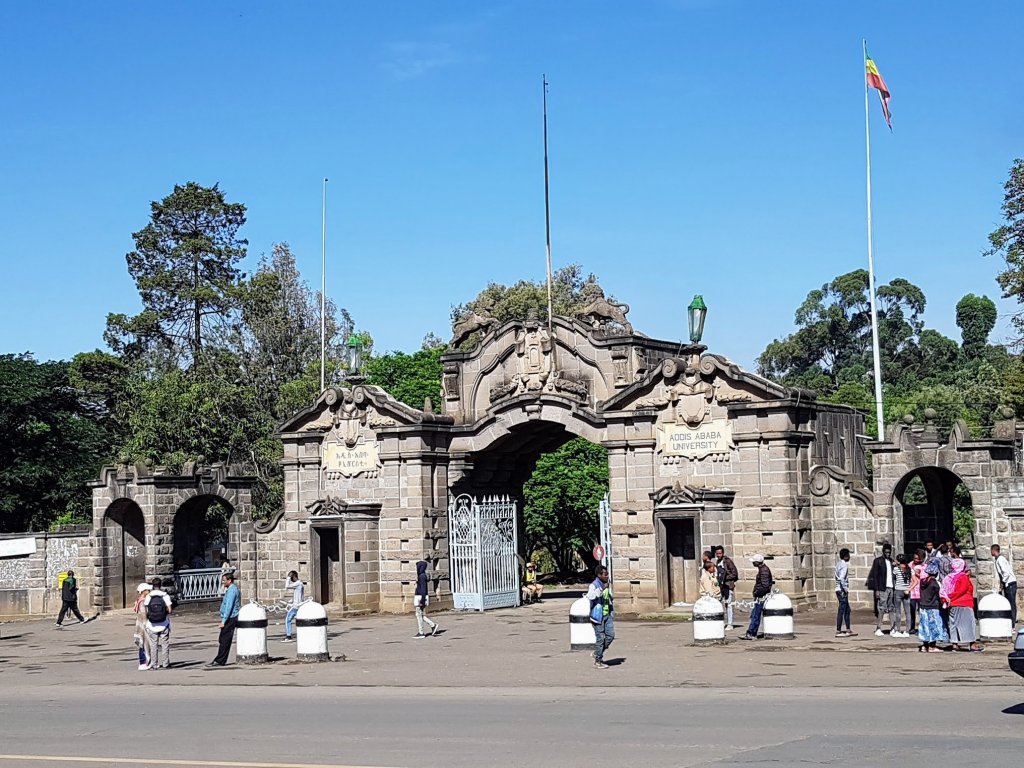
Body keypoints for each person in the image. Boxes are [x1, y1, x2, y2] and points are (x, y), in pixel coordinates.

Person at [944, 558, 983, 652]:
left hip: (952, 604)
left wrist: (947, 599)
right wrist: (952, 597)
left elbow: (944, 590)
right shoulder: (963, 577)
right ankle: (972, 644)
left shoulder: (948, 577)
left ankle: (955, 644)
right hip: (964, 603)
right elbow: (962, 590)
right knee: (969, 624)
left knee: (954, 624)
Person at [208, 572, 240, 667]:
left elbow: (229, 607)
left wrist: (224, 621)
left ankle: (220, 660)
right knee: (222, 639)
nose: (223, 582)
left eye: (224, 580)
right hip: (229, 617)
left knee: (225, 640)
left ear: (229, 580)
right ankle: (220, 659)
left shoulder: (232, 591)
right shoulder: (230, 589)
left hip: (231, 618)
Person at [740, 554, 773, 641]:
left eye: (753, 562)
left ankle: (751, 633)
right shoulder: (763, 569)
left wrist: (757, 593)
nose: (752, 563)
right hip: (760, 595)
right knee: (755, 615)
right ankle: (751, 632)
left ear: (757, 562)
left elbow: (765, 585)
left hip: (761, 596)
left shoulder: (764, 571)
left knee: (755, 615)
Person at [917, 560, 947, 652]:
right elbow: (940, 595)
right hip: (933, 607)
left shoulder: (922, 581)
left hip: (923, 606)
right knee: (934, 626)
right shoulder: (935, 583)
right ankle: (932, 646)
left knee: (924, 626)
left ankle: (924, 645)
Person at [587, 565, 614, 669]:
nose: (607, 576)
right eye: (605, 574)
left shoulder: (607, 584)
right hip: (597, 616)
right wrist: (601, 589)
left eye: (607, 574)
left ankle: (597, 652)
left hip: (607, 614)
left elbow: (609, 599)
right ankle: (598, 661)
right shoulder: (594, 585)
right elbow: (591, 596)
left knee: (610, 636)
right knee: (600, 639)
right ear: (599, 575)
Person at [866, 543, 895, 637]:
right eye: (886, 552)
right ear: (883, 552)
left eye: (889, 552)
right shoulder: (878, 561)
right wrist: (877, 590)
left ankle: (893, 628)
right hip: (882, 588)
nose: (888, 554)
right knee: (881, 608)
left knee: (891, 608)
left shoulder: (891, 561)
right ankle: (878, 628)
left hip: (891, 587)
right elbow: (875, 576)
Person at [143, 577, 173, 669]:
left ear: (153, 586)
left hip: (152, 624)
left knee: (153, 645)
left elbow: (146, 610)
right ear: (160, 585)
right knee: (165, 644)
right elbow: (170, 610)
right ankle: (165, 663)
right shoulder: (165, 596)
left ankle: (154, 664)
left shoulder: (149, 597)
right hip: (164, 624)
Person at [992, 544, 1018, 625]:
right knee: (1008, 603)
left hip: (1010, 583)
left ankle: (1012, 623)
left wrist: (1003, 583)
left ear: (994, 550)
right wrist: (1001, 585)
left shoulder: (1000, 559)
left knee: (1011, 604)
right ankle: (1009, 621)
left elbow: (1006, 573)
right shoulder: (998, 559)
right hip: (1007, 584)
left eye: (991, 550)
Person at [714, 546, 739, 630]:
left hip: (728, 585)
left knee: (729, 604)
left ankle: (730, 624)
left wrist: (725, 577)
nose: (718, 555)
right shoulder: (718, 561)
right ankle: (724, 621)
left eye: (720, 553)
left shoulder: (727, 561)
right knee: (723, 604)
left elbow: (735, 573)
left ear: (723, 553)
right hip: (721, 586)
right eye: (717, 553)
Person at [413, 560, 439, 638]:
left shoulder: (422, 576)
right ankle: (432, 625)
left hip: (420, 597)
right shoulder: (422, 576)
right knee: (419, 614)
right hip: (421, 596)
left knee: (418, 614)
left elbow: (423, 590)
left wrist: (422, 600)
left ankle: (421, 632)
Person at [834, 548, 854, 637]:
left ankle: (848, 629)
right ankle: (838, 630)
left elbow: (836, 576)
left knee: (847, 609)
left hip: (838, 589)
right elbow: (841, 578)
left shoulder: (838, 564)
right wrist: (845, 589)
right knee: (842, 610)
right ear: (846, 556)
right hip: (841, 590)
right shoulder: (844, 565)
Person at [133, 582, 152, 670]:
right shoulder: (142, 602)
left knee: (144, 643)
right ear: (143, 591)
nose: (149, 591)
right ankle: (143, 662)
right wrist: (146, 624)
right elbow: (144, 614)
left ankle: (146, 662)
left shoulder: (140, 600)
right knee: (143, 643)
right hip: (143, 625)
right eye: (147, 590)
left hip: (140, 624)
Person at [892, 554, 912, 637]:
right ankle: (907, 630)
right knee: (907, 612)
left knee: (898, 611)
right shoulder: (909, 569)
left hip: (898, 590)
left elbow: (894, 578)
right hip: (906, 590)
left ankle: (898, 630)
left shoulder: (896, 569)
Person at [908, 549, 927, 633]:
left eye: (917, 559)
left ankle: (922, 627)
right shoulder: (910, 565)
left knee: (922, 611)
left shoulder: (925, 566)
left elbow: (926, 577)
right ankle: (912, 627)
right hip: (912, 591)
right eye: (915, 558)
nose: (915, 560)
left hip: (921, 591)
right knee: (912, 610)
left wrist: (918, 574)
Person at [282, 570, 304, 642]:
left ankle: (288, 636)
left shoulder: (298, 583)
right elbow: (299, 595)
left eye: (292, 578)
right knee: (300, 620)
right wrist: (291, 601)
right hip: (298, 605)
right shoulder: (300, 584)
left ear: (294, 576)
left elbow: (287, 586)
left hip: (296, 606)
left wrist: (288, 577)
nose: (291, 580)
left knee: (288, 620)